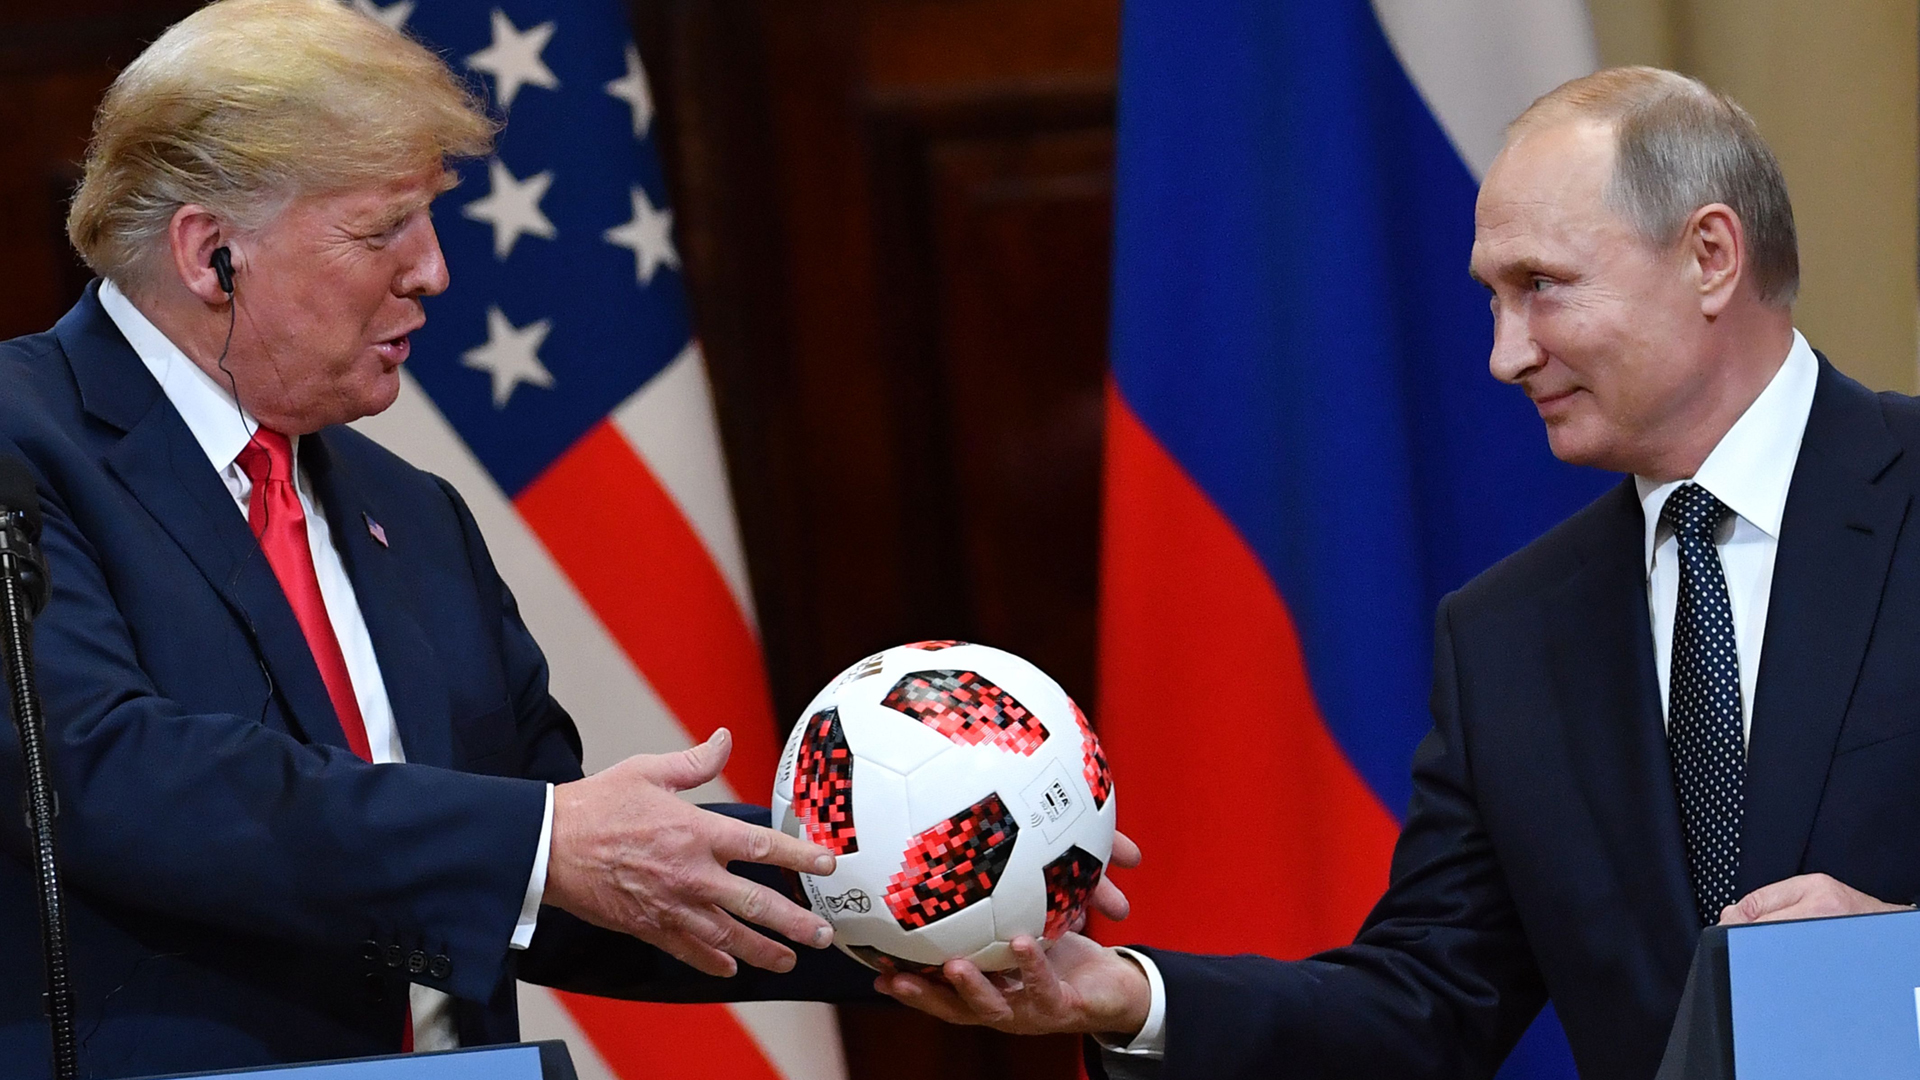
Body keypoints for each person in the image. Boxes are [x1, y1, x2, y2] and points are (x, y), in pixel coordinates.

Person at [0, 0, 1141, 1073]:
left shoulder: (415, 518)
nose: (435, 269)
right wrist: (546, 840)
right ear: (212, 256)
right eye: (384, 227)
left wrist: (918, 880)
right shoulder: (21, 441)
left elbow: (572, 875)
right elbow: (105, 776)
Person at [877, 66, 1920, 1080]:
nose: (1506, 355)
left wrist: (1903, 967)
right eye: (1493, 299)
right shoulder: (1510, 634)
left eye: (1542, 287)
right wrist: (1133, 998)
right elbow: (1422, 1007)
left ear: (1709, 256)